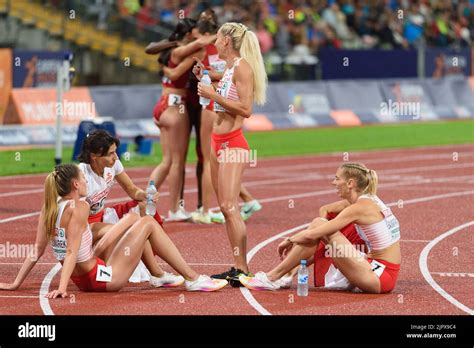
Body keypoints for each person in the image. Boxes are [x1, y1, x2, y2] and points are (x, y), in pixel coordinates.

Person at [0, 164, 228, 295]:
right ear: (76, 185)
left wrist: (15, 283)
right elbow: (71, 252)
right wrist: (61, 288)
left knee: (132, 222)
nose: (88, 184)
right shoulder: (79, 207)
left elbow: (36, 252)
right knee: (147, 222)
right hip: (101, 279)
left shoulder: (48, 209)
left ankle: (158, 275)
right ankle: (192, 278)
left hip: (86, 275)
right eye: (84, 180)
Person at [239, 162, 401, 294]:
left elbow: (315, 233)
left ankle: (273, 277)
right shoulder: (368, 200)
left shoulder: (360, 207)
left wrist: (289, 240)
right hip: (376, 267)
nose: (333, 183)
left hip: (379, 276)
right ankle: (283, 275)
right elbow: (326, 210)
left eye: (337, 178)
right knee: (321, 225)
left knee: (320, 226)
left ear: (350, 183)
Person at [195, 22, 268, 286]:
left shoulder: (243, 67)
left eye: (217, 37)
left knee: (229, 206)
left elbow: (246, 109)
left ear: (226, 40)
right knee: (225, 209)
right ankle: (237, 265)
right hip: (217, 142)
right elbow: (222, 85)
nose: (214, 40)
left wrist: (212, 93)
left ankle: (243, 269)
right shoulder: (229, 67)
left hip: (233, 144)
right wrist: (205, 76)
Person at [77, 129, 184, 287]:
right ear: (94, 156)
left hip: (101, 217)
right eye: (111, 154)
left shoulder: (113, 165)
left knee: (141, 208)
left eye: (116, 152)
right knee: (131, 229)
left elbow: (132, 190)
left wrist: (146, 195)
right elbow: (74, 215)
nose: (116, 157)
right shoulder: (81, 175)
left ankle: (156, 271)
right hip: (85, 226)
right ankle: (157, 273)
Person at [150, 18, 215, 221]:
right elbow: (179, 70)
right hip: (176, 106)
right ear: (189, 35)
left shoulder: (173, 51)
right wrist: (216, 35)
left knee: (166, 161)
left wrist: (164, 69)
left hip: (161, 104)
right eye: (195, 34)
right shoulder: (189, 51)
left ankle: (144, 203)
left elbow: (161, 60)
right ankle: (174, 209)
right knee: (177, 162)